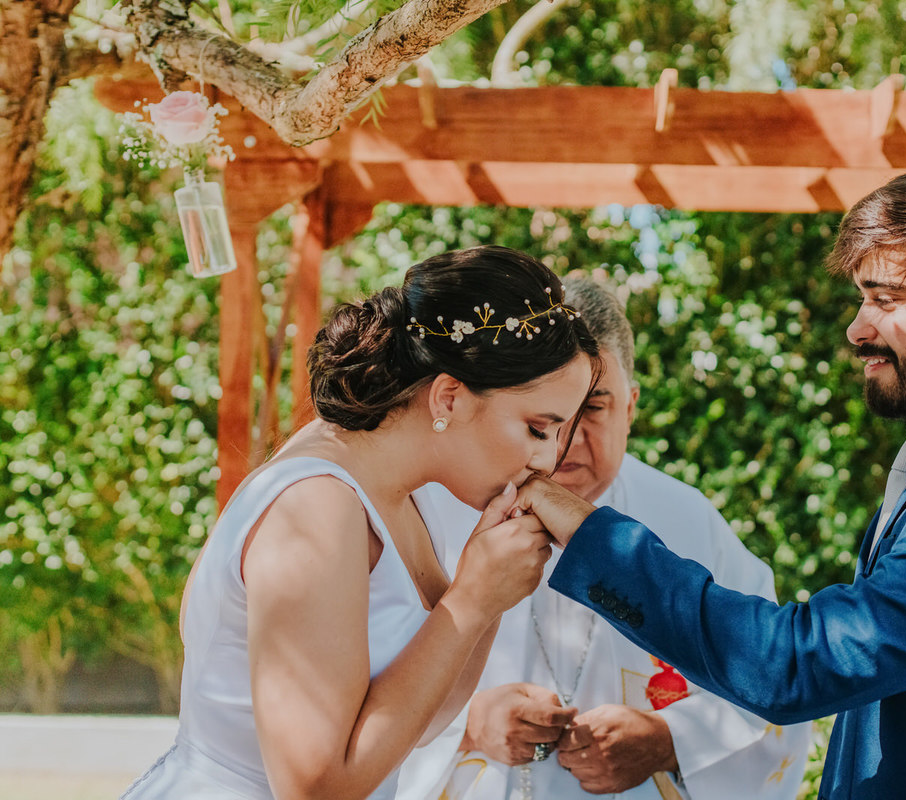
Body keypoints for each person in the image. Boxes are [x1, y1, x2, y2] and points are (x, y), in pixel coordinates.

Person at [514, 161, 906, 799]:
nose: (858, 328)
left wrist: (589, 534)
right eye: (862, 299)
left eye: (887, 298)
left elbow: (794, 666)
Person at [121, 245, 600, 800]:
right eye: (539, 429)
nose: (548, 462)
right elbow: (313, 787)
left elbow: (423, 720)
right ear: (449, 396)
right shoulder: (317, 506)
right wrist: (468, 600)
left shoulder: (403, 494)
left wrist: (487, 601)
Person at [393, 277, 811, 800]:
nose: (564, 438)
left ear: (631, 407)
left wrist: (669, 739)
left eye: (593, 408)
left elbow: (773, 672)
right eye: (545, 414)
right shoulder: (439, 506)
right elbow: (358, 681)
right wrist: (467, 723)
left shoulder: (687, 521)